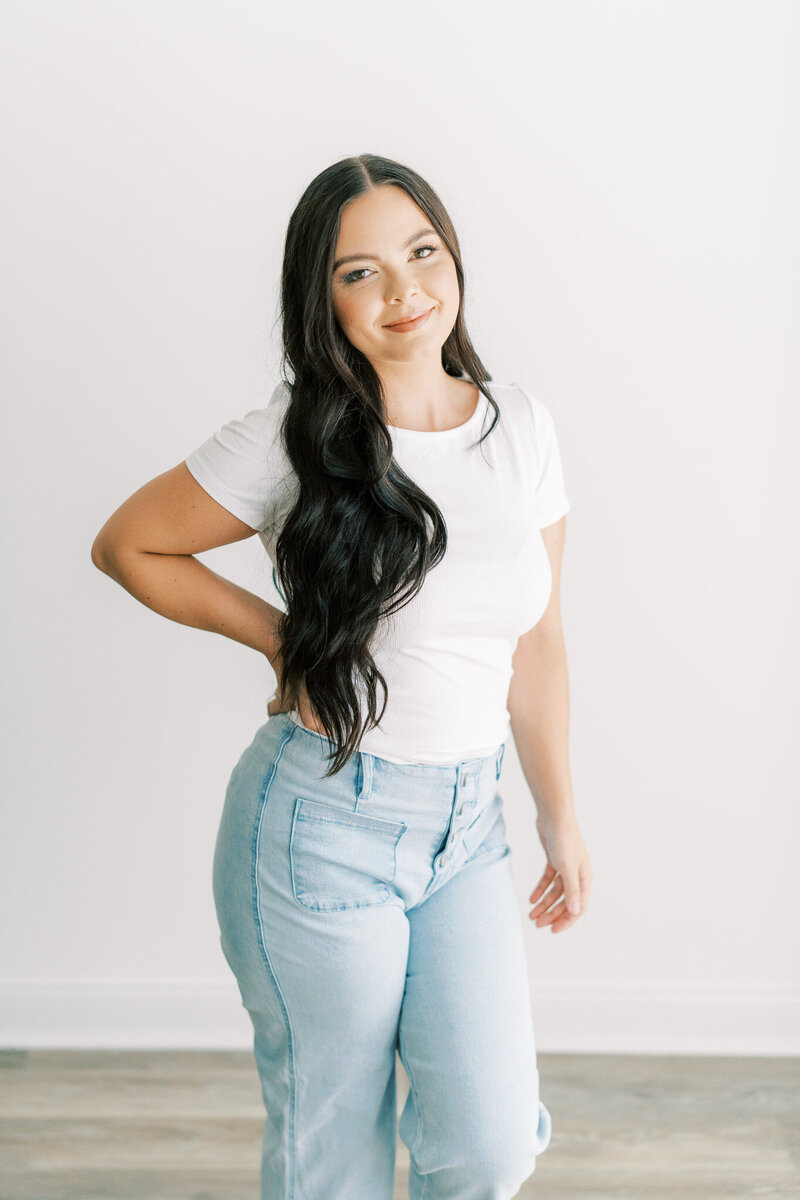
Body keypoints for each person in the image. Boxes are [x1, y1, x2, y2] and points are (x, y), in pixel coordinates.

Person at [91, 153, 592, 1200]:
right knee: (333, 1150)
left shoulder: (521, 428)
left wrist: (558, 815)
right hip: (320, 821)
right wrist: (284, 642)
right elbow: (132, 544)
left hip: (466, 830)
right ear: (320, 300)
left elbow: (535, 642)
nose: (404, 291)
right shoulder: (294, 435)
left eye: (420, 253)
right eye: (359, 272)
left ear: (451, 257)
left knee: (489, 1146)